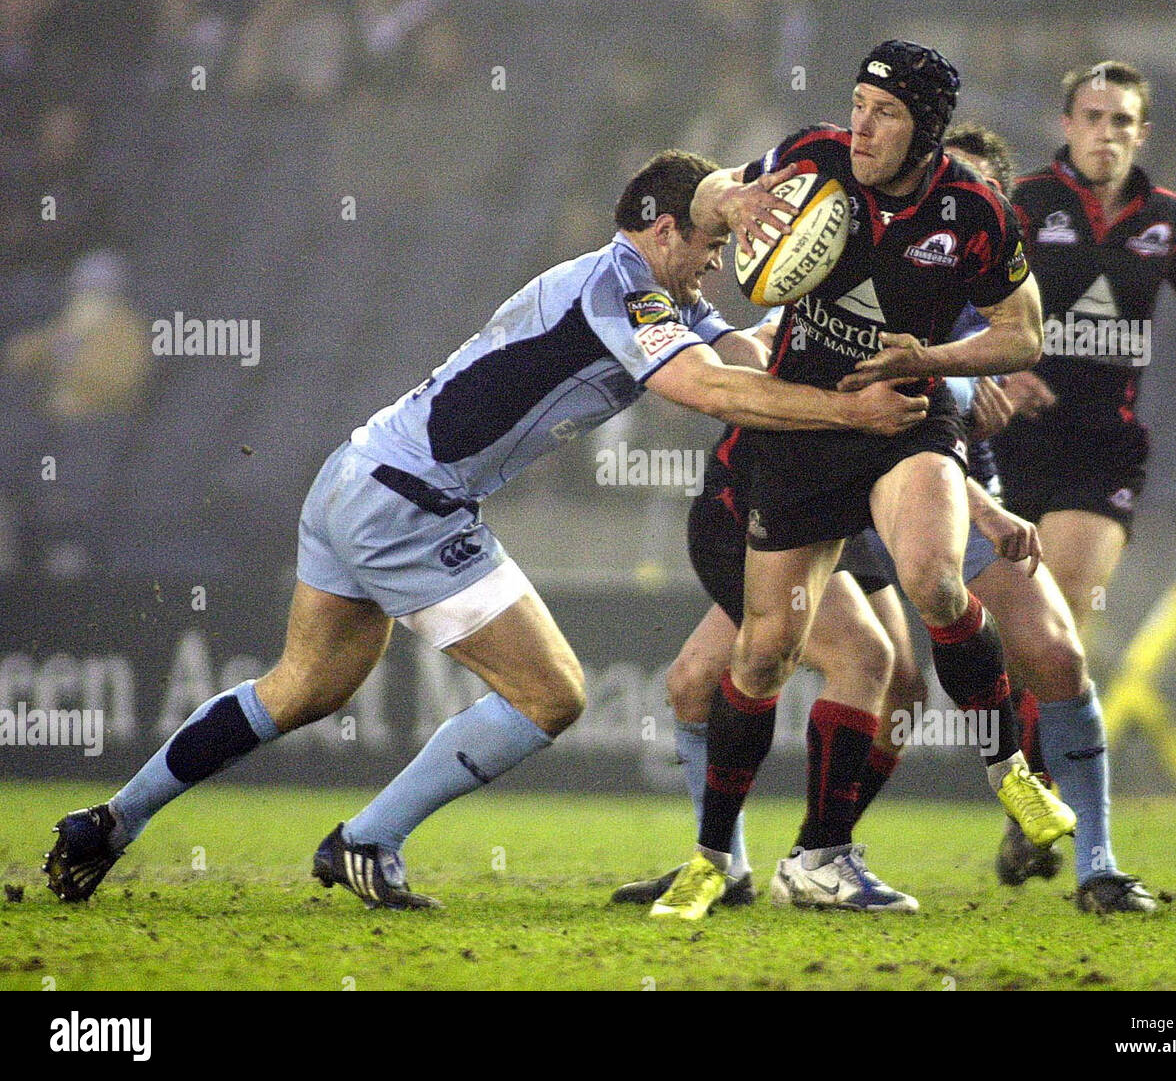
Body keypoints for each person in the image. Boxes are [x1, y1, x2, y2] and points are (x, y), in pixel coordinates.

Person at [41, 150, 925, 909]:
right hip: (408, 502)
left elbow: (745, 359)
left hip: (358, 473)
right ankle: (365, 840)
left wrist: (875, 348)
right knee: (553, 694)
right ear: (666, 233)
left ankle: (109, 822)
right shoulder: (617, 286)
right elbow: (714, 393)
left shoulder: (663, 298)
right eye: (712, 244)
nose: (719, 265)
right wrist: (852, 420)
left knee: (301, 687)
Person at [648, 41, 1074, 923]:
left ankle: (1010, 774)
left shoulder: (976, 211)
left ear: (926, 129)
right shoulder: (813, 158)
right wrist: (729, 196)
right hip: (805, 425)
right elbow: (702, 189)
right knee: (763, 653)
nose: (862, 125)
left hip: (907, 415)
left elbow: (1023, 335)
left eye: (883, 113)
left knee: (933, 579)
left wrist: (933, 356)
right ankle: (709, 857)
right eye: (857, 105)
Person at [990, 62, 1176, 910]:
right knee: (1031, 641)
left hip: (1104, 454)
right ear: (1066, 124)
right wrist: (992, 370)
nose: (1106, 132)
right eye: (1092, 116)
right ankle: (1031, 797)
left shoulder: (1175, 223)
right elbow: (954, 297)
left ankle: (1039, 811)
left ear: (1144, 133)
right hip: (1009, 448)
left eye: (1123, 120)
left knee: (1061, 613)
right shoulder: (1021, 206)